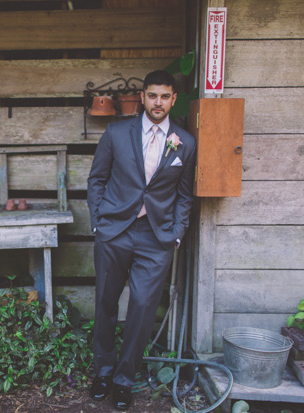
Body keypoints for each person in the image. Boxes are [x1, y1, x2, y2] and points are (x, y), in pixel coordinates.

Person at [86, 70, 196, 410]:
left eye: (165, 96)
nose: (158, 102)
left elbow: (184, 195)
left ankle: (124, 379)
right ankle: (103, 371)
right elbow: (97, 180)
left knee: (143, 308)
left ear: (173, 99)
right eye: (152, 96)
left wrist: (176, 234)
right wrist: (98, 224)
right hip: (114, 232)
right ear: (144, 96)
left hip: (156, 237)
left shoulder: (185, 142)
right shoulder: (117, 133)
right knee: (106, 302)